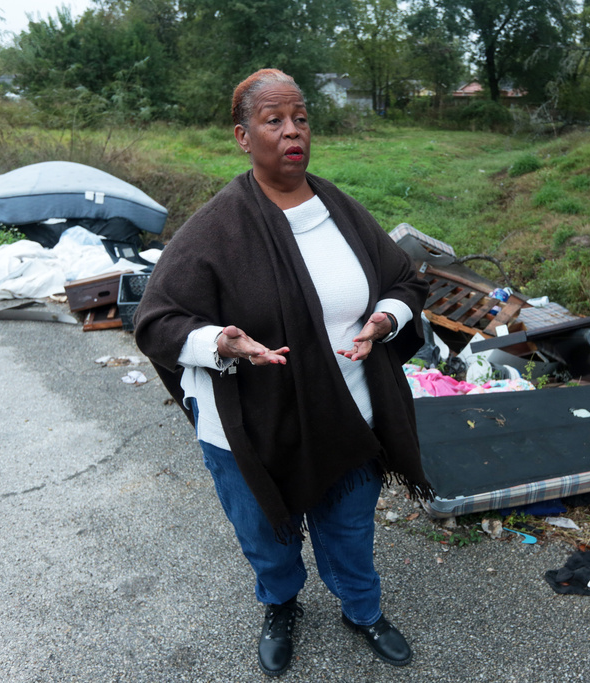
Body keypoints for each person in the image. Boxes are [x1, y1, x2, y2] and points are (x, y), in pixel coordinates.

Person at [133, 68, 433, 677]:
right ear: (243, 136)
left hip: (347, 412)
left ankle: (362, 609)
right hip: (249, 424)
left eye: (300, 118)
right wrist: (221, 341)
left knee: (349, 528)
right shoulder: (215, 228)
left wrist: (384, 319)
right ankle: (280, 604)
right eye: (274, 121)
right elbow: (155, 321)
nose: (292, 131)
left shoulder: (341, 210)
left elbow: (406, 280)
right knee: (266, 535)